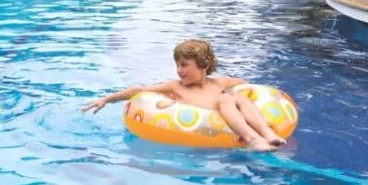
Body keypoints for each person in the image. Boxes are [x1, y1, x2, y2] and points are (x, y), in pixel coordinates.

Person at [81, 39, 285, 151]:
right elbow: (139, 90)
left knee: (235, 97)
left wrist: (267, 95)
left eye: (185, 65)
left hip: (229, 137)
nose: (179, 70)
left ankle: (267, 134)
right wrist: (106, 99)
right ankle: (251, 139)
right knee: (225, 98)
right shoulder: (176, 87)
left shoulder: (220, 83)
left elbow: (248, 87)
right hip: (200, 140)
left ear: (204, 65)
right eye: (178, 65)